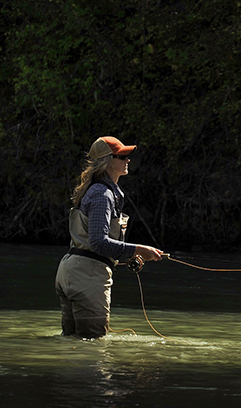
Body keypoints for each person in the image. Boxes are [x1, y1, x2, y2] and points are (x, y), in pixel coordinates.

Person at [54, 136, 163, 339]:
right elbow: (98, 242)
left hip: (71, 272)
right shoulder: (102, 194)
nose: (127, 159)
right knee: (93, 346)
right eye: (121, 156)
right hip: (87, 277)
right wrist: (139, 249)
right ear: (107, 161)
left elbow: (94, 242)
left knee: (72, 341)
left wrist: (125, 253)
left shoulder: (95, 191)